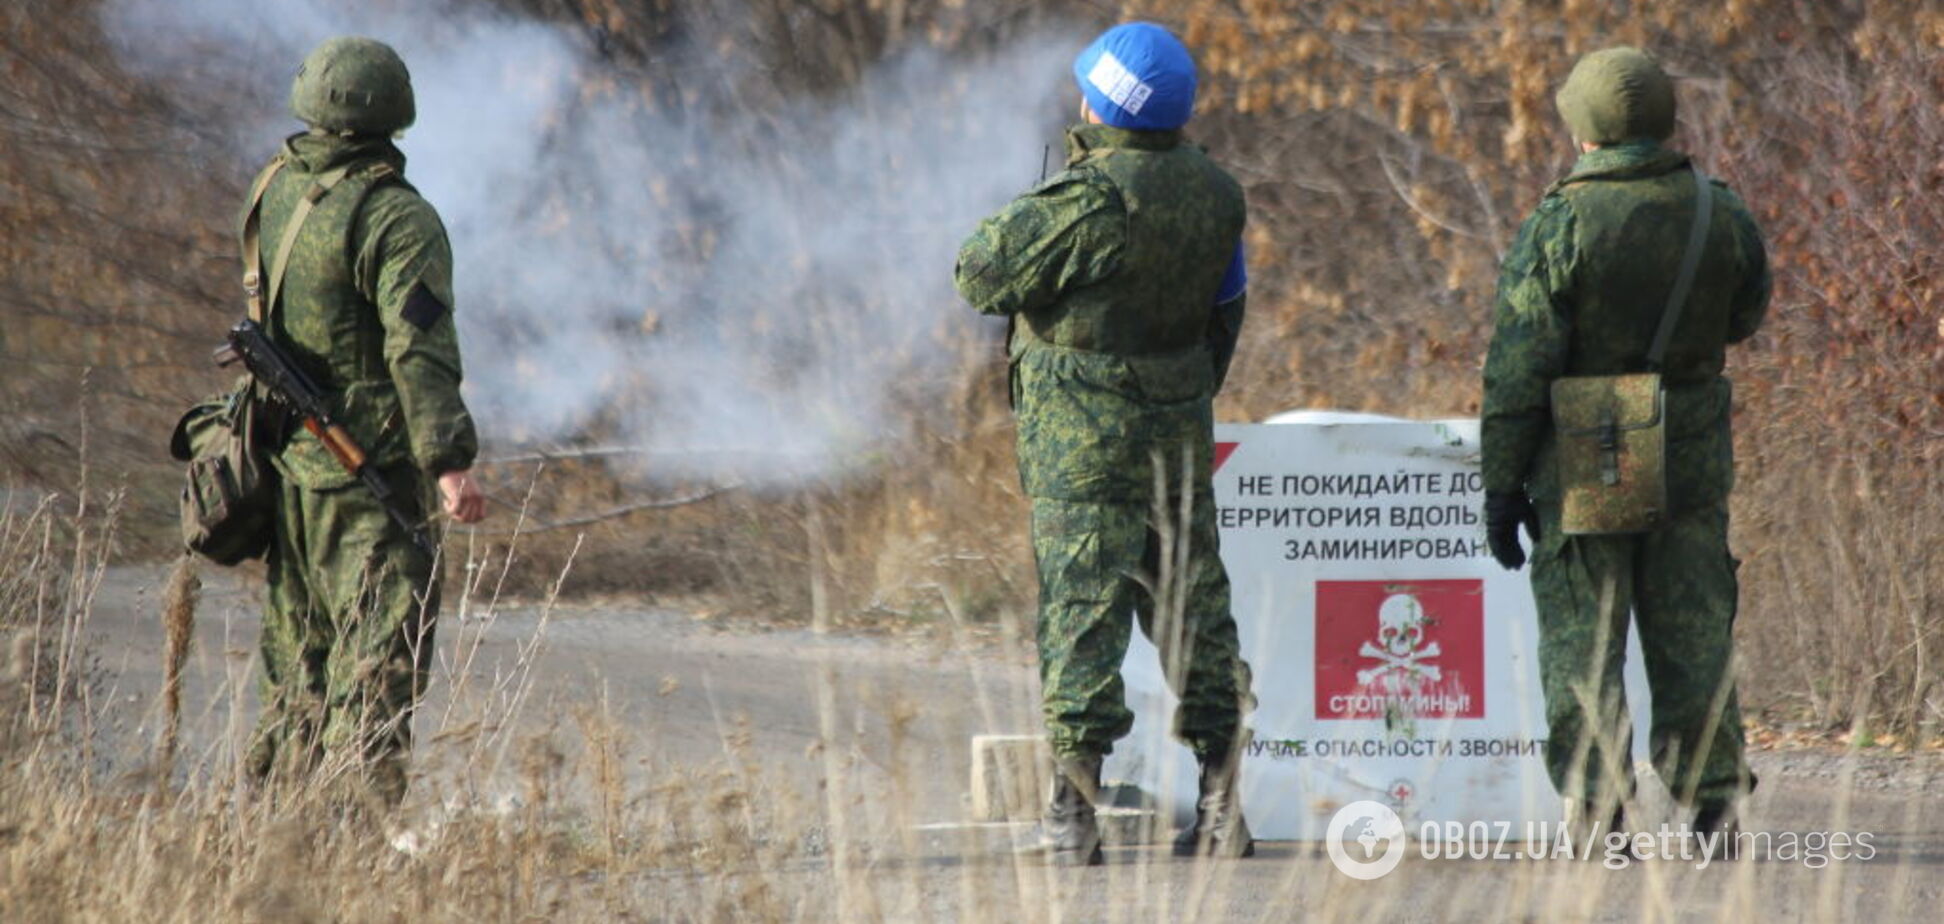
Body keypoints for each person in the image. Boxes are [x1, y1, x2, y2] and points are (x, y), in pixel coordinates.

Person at [954, 22, 1256, 865]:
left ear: (1107, 103)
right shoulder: (1217, 194)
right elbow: (1225, 314)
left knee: (1085, 621)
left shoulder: (1087, 200)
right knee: (1194, 614)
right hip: (1177, 437)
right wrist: (1179, 389)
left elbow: (979, 272)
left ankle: (1072, 819)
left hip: (1081, 450)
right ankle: (1225, 810)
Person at [1480, 47, 1769, 839]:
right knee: (1694, 630)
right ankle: (1715, 807)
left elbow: (1518, 369)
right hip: (1690, 448)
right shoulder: (1720, 210)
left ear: (1584, 131)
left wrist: (1501, 485)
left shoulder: (1559, 224)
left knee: (1585, 635)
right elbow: (1744, 318)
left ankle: (1598, 811)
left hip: (1587, 451)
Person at [241, 36, 486, 808]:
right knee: (379, 665)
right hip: (368, 479)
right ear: (395, 117)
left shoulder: (274, 187)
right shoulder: (395, 219)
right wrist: (447, 460)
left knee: (297, 661)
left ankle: (276, 831)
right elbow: (419, 348)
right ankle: (356, 839)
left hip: (292, 471)